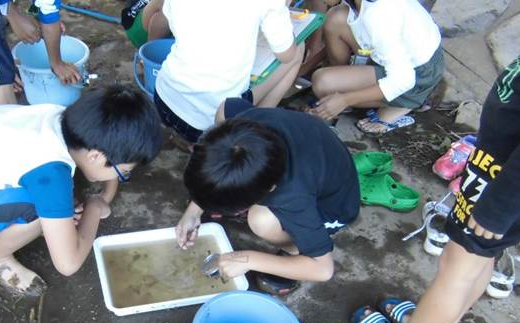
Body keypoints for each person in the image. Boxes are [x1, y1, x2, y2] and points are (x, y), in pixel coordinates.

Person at [352, 58, 520, 323]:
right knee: (479, 259)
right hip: (501, 173)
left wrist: (497, 212)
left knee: (457, 267)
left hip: (502, 188)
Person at [0, 85, 162, 294]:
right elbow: (68, 263)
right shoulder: (50, 174)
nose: (122, 177)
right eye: (124, 172)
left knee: (55, 204)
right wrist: (95, 207)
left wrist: (106, 191)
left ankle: (40, 222)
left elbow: (105, 164)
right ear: (95, 156)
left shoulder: (64, 119)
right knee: (41, 207)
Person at [176, 97, 359, 294]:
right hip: (311, 149)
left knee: (261, 221)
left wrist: (247, 259)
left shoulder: (293, 196)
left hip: (333, 205)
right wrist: (193, 211)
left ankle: (293, 252)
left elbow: (323, 270)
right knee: (222, 110)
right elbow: (228, 106)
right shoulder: (241, 126)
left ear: (269, 189)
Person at [154, 0, 304, 144]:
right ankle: (253, 129)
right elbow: (286, 55)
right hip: (208, 124)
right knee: (298, 48)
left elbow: (173, 21)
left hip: (163, 99)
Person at [310, 0, 444, 134]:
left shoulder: (377, 16)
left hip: (417, 75)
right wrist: (302, 68)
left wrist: (344, 99)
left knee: (322, 83)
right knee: (335, 18)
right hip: (400, 56)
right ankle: (344, 89)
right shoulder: (362, 5)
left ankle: (405, 104)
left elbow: (404, 80)